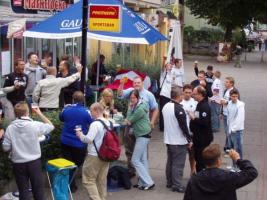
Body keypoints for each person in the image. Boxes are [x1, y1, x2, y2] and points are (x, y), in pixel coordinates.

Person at [2, 102, 54, 200]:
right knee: (38, 189)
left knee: (23, 190)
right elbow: (51, 126)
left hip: (18, 163)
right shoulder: (34, 125)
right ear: (27, 112)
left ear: (15, 113)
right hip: (34, 162)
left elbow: (5, 148)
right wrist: (39, 113)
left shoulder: (10, 128)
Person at [183, 144, 258, 200]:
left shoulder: (194, 180)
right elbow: (252, 172)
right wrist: (238, 160)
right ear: (219, 162)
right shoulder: (228, 177)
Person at [118, 76, 158, 176]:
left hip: (142, 128)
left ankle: (143, 174)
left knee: (143, 152)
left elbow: (155, 109)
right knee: (129, 149)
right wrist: (122, 83)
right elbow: (119, 94)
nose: (136, 84)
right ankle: (131, 171)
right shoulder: (131, 91)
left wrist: (152, 122)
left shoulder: (149, 95)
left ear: (142, 83)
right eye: (135, 83)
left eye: (138, 83)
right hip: (130, 127)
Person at [59, 91, 93, 192]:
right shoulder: (86, 112)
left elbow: (61, 118)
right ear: (83, 100)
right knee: (76, 164)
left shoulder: (67, 109)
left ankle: (70, 185)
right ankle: (71, 185)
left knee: (67, 163)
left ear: (73, 99)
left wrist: (65, 108)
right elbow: (92, 123)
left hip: (65, 141)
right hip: (79, 143)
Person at [76, 102, 111, 200]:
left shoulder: (95, 124)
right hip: (107, 154)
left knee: (88, 180)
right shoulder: (109, 122)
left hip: (94, 155)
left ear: (96, 110)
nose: (90, 113)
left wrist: (80, 135)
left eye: (91, 111)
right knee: (101, 180)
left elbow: (88, 139)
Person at [162, 86, 192, 193]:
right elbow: (183, 126)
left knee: (170, 162)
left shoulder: (165, 106)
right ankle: (177, 185)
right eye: (182, 94)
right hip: (178, 141)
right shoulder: (179, 108)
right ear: (178, 96)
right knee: (178, 164)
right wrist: (189, 139)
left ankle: (169, 181)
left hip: (169, 140)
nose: (183, 96)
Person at [125, 89, 154, 190]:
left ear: (138, 98)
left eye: (133, 98)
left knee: (135, 160)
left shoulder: (140, 108)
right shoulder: (137, 106)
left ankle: (149, 182)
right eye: (131, 98)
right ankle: (143, 182)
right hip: (142, 134)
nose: (132, 100)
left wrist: (129, 108)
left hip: (143, 134)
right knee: (143, 159)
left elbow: (129, 121)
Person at [189, 86, 213, 172]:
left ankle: (201, 178)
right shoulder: (200, 104)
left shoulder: (204, 106)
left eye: (194, 94)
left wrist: (193, 118)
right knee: (198, 159)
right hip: (199, 137)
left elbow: (204, 122)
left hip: (203, 139)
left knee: (201, 160)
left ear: (200, 95)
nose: (192, 95)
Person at [181, 84, 197, 175]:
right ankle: (179, 172)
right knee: (181, 155)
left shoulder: (195, 103)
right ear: (183, 92)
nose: (187, 94)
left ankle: (192, 171)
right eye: (186, 92)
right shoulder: (179, 102)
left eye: (189, 93)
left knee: (192, 155)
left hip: (191, 132)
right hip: (181, 133)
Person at [221, 77, 240, 152]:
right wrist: (221, 112)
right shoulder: (226, 90)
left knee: (230, 132)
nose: (225, 83)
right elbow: (224, 100)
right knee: (227, 132)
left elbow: (237, 102)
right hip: (225, 114)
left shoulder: (234, 91)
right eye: (225, 82)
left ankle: (230, 148)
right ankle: (228, 146)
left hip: (230, 115)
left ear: (231, 83)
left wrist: (226, 103)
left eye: (227, 82)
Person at [227, 89, 245, 160]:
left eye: (236, 96)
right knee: (232, 149)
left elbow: (240, 118)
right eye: (233, 96)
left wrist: (233, 129)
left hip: (237, 130)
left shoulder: (240, 105)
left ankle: (239, 167)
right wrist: (229, 129)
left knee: (238, 150)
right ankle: (234, 165)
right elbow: (229, 117)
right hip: (231, 130)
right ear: (230, 96)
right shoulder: (229, 104)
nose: (234, 98)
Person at [159, 62, 173, 131]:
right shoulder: (164, 73)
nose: (170, 66)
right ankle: (162, 126)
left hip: (169, 95)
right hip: (163, 94)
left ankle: (167, 125)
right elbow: (162, 68)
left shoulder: (171, 74)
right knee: (163, 110)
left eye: (170, 65)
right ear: (166, 66)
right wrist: (164, 61)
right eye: (168, 65)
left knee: (168, 111)